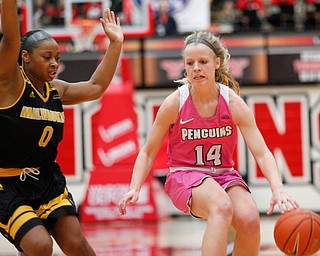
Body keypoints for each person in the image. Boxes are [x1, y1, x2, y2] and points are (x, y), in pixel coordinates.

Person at [118, 31, 299, 255]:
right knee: (221, 206)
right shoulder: (175, 103)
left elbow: (261, 152)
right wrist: (134, 187)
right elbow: (148, 152)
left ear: (217, 63)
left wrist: (277, 189)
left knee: (250, 220)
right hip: (185, 175)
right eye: (190, 63)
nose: (196, 68)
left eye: (203, 62)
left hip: (224, 174)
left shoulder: (233, 103)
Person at [0, 0, 123, 255]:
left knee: (78, 246)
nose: (54, 63)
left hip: (46, 180)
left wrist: (115, 45)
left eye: (57, 58)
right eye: (47, 58)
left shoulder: (56, 90)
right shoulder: (10, 85)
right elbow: (11, 41)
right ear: (25, 57)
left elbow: (96, 87)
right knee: (40, 245)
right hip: (7, 182)